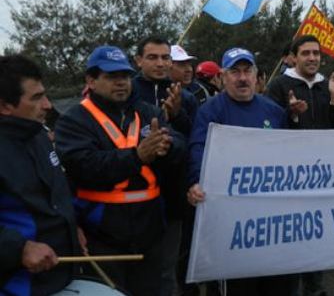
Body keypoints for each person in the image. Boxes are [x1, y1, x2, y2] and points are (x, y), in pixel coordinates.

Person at [54, 46, 186, 296]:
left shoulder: (148, 112)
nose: (121, 83)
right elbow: (84, 166)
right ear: (91, 81)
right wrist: (137, 156)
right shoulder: (74, 120)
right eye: (112, 77)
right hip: (102, 233)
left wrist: (168, 147)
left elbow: (180, 144)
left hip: (150, 231)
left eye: (124, 76)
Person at [187, 47, 293, 296]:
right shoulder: (210, 111)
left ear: (256, 76)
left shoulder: (274, 112)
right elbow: (198, 150)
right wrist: (195, 181)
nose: (242, 78)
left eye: (248, 71)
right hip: (230, 223)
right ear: (223, 77)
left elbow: (289, 154)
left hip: (271, 219)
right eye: (235, 72)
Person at [266, 34, 334, 296]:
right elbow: (269, 129)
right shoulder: (280, 85)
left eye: (316, 53)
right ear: (294, 57)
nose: (312, 58)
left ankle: (316, 289)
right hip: (291, 175)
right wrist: (290, 114)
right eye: (306, 53)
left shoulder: (330, 85)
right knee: (292, 236)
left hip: (323, 173)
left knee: (317, 234)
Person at [0, 55, 81, 295]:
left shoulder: (38, 135)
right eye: (36, 98)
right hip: (16, 285)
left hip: (60, 279)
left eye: (44, 94)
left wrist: (73, 226)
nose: (47, 105)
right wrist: (19, 249)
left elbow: (56, 193)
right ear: (5, 105)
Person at [132, 37, 197, 295]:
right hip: (133, 197)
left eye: (165, 57)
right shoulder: (129, 92)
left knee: (168, 269)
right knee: (136, 267)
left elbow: (195, 139)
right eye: (152, 57)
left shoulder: (186, 96)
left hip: (172, 196)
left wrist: (178, 114)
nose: (160, 63)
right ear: (138, 60)